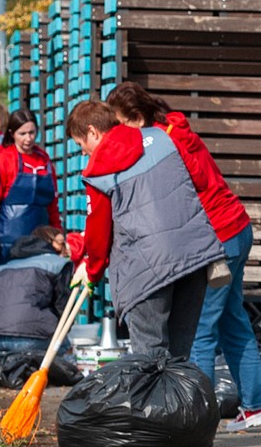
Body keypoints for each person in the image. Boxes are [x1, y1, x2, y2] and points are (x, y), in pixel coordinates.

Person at [107, 81, 261, 432]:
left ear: (137, 118)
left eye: (121, 123)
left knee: (200, 330)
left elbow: (185, 189)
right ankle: (257, 406)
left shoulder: (160, 142)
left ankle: (197, 419)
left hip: (216, 236)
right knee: (233, 321)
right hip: (237, 227)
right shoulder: (175, 129)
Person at [66, 98, 223, 360]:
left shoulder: (97, 171)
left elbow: (99, 231)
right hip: (194, 258)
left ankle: (154, 402)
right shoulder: (162, 137)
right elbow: (200, 179)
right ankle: (179, 402)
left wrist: (93, 271)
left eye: (81, 145)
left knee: (150, 358)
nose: (84, 153)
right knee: (179, 356)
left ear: (93, 132)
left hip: (146, 270)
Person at [0, 225, 76, 357]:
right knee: (65, 346)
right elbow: (63, 306)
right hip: (28, 336)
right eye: (61, 243)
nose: (67, 249)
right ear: (48, 244)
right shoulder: (58, 264)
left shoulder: (5, 267)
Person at [0, 108, 62, 264]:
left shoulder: (44, 159)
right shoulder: (4, 158)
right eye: (22, 134)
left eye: (32, 133)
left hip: (41, 239)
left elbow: (52, 205)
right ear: (12, 133)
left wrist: (58, 234)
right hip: (8, 240)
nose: (28, 138)